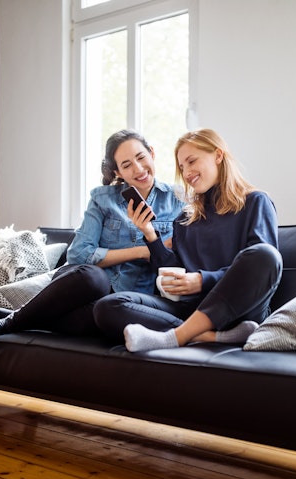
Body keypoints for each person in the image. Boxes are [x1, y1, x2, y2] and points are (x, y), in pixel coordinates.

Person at [0, 129, 185, 345]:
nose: (138, 169)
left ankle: (27, 315)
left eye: (141, 157)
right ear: (117, 172)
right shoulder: (102, 199)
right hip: (82, 286)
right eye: (127, 165)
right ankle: (9, 323)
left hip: (126, 297)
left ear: (152, 153)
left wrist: (151, 242)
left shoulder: (178, 201)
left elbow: (171, 263)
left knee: (103, 315)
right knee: (95, 278)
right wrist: (145, 250)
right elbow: (79, 254)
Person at [93, 128, 282, 351]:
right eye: (182, 167)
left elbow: (261, 268)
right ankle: (209, 336)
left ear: (218, 155)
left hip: (239, 310)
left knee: (265, 255)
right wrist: (149, 234)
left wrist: (202, 280)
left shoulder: (255, 202)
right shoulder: (185, 217)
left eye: (192, 161)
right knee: (108, 306)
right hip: (191, 308)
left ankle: (177, 336)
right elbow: (174, 270)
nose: (187, 172)